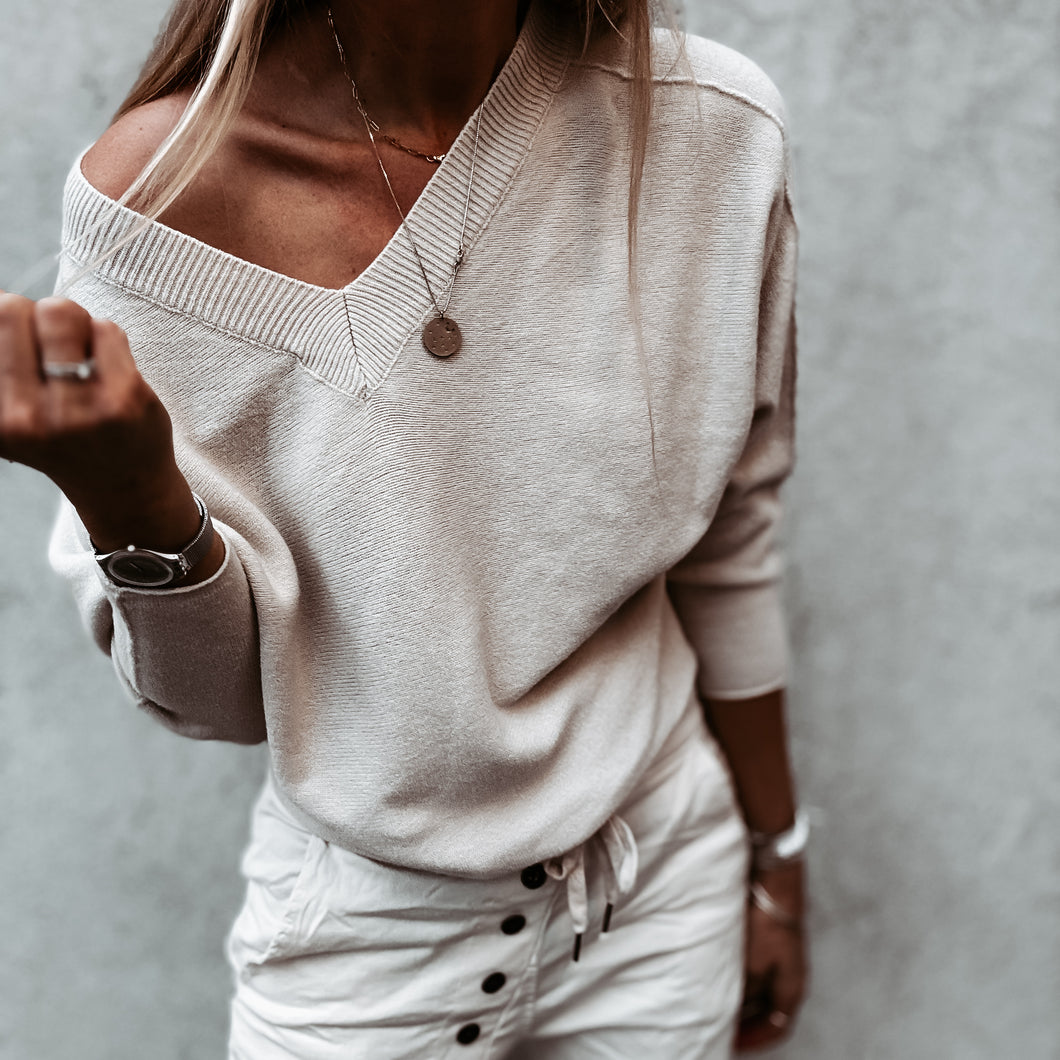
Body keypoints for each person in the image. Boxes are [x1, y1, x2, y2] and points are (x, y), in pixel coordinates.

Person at [0, 0, 807, 1054]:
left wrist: (777, 857)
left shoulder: (711, 128)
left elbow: (729, 540)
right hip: (369, 941)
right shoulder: (161, 200)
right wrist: (132, 501)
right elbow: (222, 705)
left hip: (659, 888)